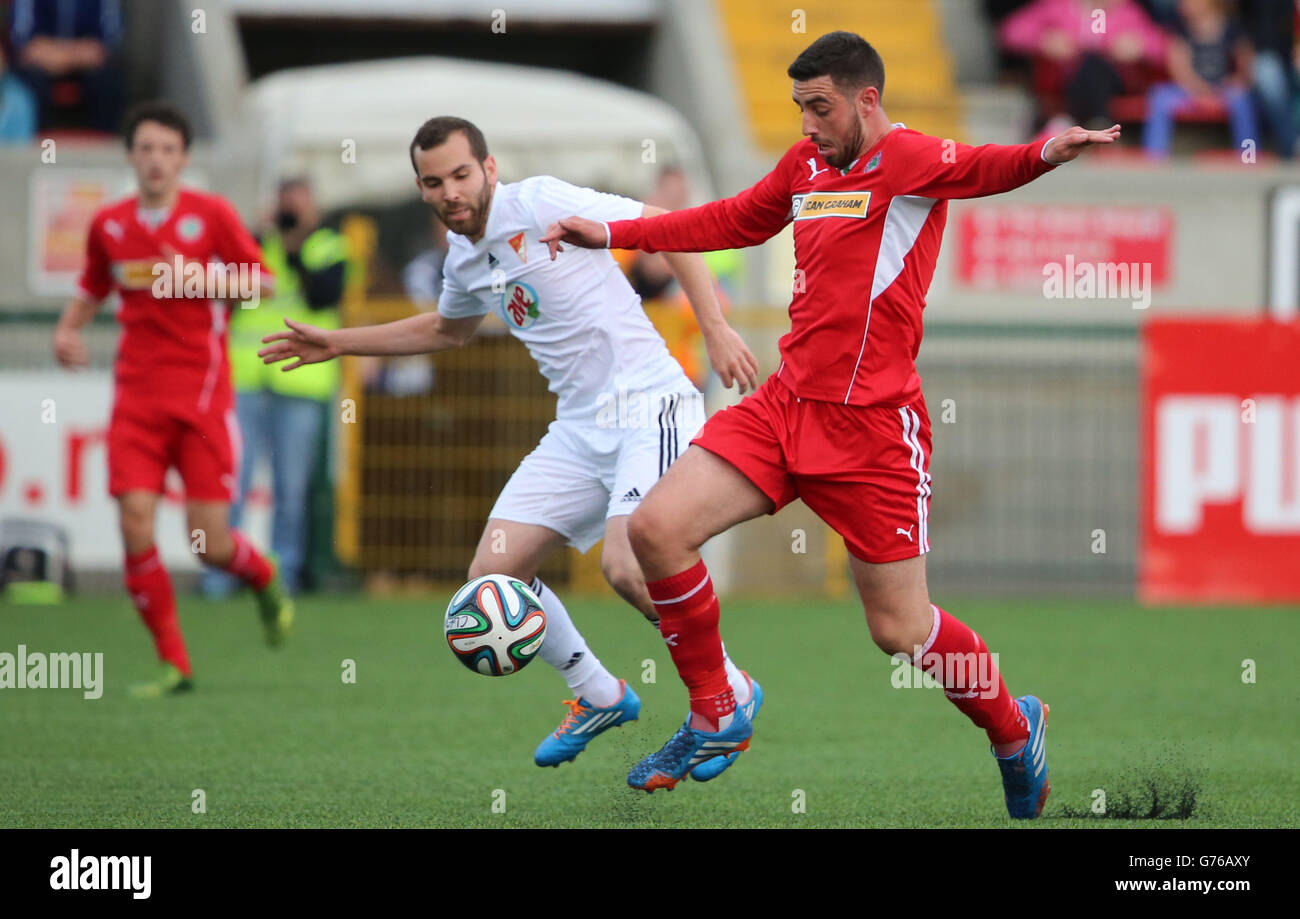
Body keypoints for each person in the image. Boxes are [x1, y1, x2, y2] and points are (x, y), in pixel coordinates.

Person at [543, 30, 1119, 815]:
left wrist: (1049, 150)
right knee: (655, 531)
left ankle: (1015, 725)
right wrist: (615, 233)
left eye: (820, 108)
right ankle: (718, 708)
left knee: (901, 629)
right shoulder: (805, 167)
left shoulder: (910, 159)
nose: (808, 124)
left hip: (875, 435)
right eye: (800, 108)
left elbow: (986, 167)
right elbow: (732, 219)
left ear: (866, 100)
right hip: (785, 408)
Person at [260, 117, 763, 771]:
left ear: (489, 169)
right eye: (434, 182)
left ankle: (728, 690)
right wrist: (338, 342)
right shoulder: (465, 258)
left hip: (649, 405)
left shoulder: (542, 202)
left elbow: (670, 227)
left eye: (461, 174)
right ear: (422, 189)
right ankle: (599, 692)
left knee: (627, 566)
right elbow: (446, 330)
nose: (451, 191)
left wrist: (716, 327)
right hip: (579, 426)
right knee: (491, 575)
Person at [51, 101, 293, 698]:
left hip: (202, 398)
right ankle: (174, 663)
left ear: (183, 158)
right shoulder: (109, 223)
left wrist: (201, 278)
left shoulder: (210, 214)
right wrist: (67, 329)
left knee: (208, 545)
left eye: (167, 149)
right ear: (130, 156)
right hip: (135, 396)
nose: (156, 159)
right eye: (146, 148)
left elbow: (263, 282)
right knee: (134, 521)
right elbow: (91, 285)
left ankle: (262, 575)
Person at [203, 177, 350, 598]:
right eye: (287, 206)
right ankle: (221, 572)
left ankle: (282, 575)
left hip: (300, 383)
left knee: (291, 489)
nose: (292, 214)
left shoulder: (329, 246)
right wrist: (256, 234)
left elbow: (323, 296)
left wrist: (294, 247)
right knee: (235, 481)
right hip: (248, 379)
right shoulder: (254, 243)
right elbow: (226, 289)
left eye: (299, 206)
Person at [1143, 0, 1258, 157]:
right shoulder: (1180, 30)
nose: (1183, 6)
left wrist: (1237, 80)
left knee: (1242, 98)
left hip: (1223, 90)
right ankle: (1154, 156)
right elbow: (1179, 66)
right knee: (1159, 96)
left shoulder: (1232, 28)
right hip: (1189, 91)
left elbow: (1245, 60)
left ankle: (1248, 155)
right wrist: (1199, 89)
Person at [8, 0, 124, 133]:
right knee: (26, 81)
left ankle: (105, 145)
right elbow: (22, 40)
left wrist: (65, 57)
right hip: (43, 64)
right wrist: (63, 56)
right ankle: (35, 146)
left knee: (109, 80)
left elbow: (109, 40)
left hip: (87, 64)